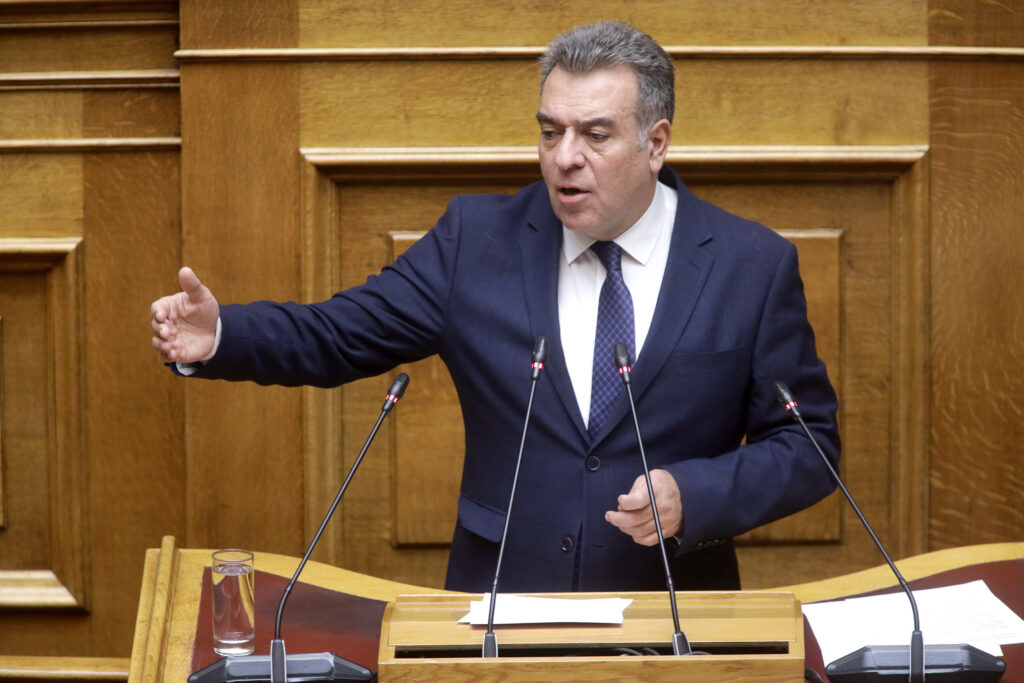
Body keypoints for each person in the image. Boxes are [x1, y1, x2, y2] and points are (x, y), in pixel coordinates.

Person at [151, 21, 839, 593]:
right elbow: (336, 334)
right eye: (550, 132)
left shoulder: (750, 265)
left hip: (674, 615)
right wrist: (223, 334)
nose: (565, 158)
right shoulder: (475, 243)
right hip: (501, 614)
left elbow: (808, 446)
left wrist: (695, 494)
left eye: (595, 135)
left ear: (654, 143)